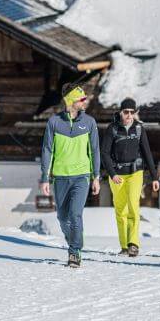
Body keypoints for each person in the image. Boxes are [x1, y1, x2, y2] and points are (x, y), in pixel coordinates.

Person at [39, 83, 100, 268]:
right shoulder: (54, 122)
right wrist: (45, 177)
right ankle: (74, 239)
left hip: (81, 176)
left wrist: (96, 176)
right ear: (71, 101)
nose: (85, 101)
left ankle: (74, 251)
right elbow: (47, 150)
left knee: (75, 215)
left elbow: (95, 150)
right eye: (81, 99)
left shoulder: (89, 122)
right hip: (60, 177)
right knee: (63, 218)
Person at [101, 97, 159, 257]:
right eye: (126, 112)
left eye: (132, 112)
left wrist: (154, 177)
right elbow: (104, 153)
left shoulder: (139, 129)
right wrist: (112, 174)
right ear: (120, 112)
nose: (129, 115)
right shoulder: (112, 128)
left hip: (135, 173)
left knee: (133, 206)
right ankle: (124, 246)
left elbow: (147, 153)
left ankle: (134, 244)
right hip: (117, 175)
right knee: (121, 210)